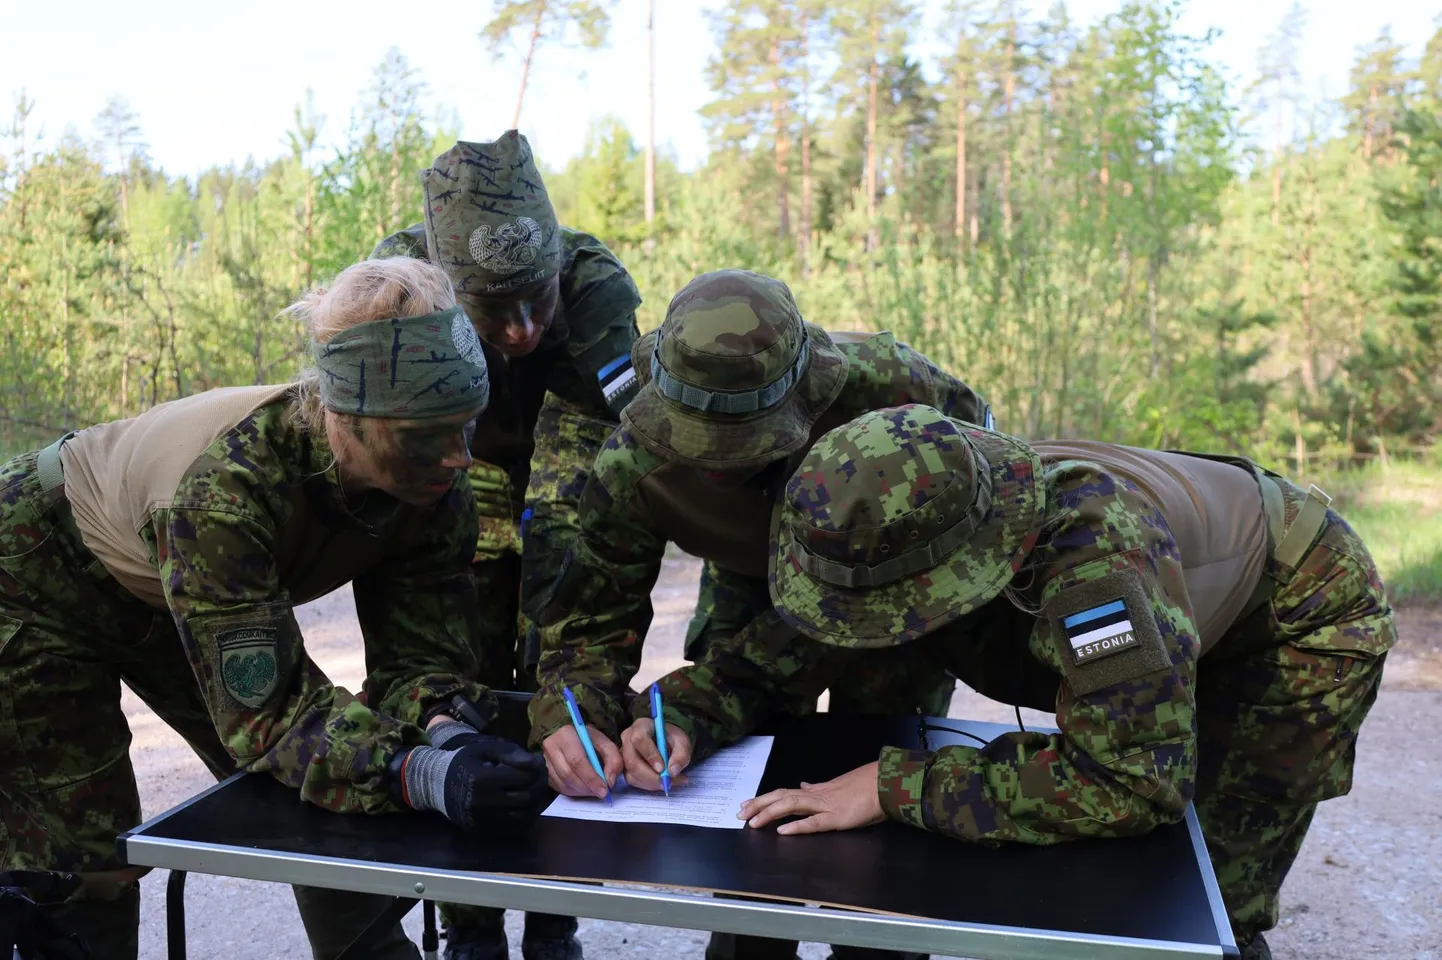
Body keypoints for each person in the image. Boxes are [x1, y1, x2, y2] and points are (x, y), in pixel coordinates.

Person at [622, 404, 1395, 960]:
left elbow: (1133, 778)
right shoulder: (915, 517)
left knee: (1194, 905)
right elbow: (779, 653)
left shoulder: (1092, 567)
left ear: (954, 571)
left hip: (1291, 618)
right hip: (1178, 601)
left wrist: (896, 787)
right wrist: (684, 715)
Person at [0, 257, 549, 960]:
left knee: (318, 791)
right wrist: (426, 775)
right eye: (423, 436)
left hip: (168, 576)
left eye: (465, 427)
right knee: (85, 867)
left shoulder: (436, 490)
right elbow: (271, 722)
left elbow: (417, 664)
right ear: (345, 418)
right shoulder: (226, 492)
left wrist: (452, 736)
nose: (456, 459)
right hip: (35, 572)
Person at [531, 270, 995, 960]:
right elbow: (589, 621)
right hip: (748, 582)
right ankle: (751, 942)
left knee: (883, 784)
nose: (720, 467)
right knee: (744, 784)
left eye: (745, 446)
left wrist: (707, 698)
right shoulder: (633, 459)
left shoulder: (900, 390)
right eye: (700, 445)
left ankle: (880, 947)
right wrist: (576, 719)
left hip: (891, 590)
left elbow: (988, 503)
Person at [371, 131, 642, 960]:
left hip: (565, 460)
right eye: (495, 312)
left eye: (537, 303)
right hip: (453, 464)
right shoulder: (401, 292)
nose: (522, 331)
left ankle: (554, 917)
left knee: (569, 693)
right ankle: (470, 922)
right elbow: (402, 460)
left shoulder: (595, 292)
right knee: (457, 692)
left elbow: (590, 490)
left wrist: (568, 678)